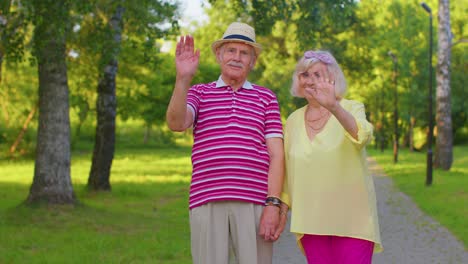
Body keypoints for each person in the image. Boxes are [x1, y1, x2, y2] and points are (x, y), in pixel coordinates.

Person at [166, 22, 285, 264]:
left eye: (244, 53)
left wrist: (273, 204)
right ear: (219, 55)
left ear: (252, 61)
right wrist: (182, 79)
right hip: (207, 198)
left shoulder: (266, 97)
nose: (237, 57)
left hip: (254, 202)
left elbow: (277, 156)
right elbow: (176, 123)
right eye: (231, 50)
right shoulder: (199, 92)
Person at [280, 50, 383, 263]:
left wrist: (333, 106)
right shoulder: (292, 120)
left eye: (318, 75)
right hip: (311, 221)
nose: (310, 81)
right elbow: (287, 172)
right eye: (305, 75)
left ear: (332, 78)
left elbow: (362, 135)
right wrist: (280, 210)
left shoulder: (351, 107)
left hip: (352, 221)